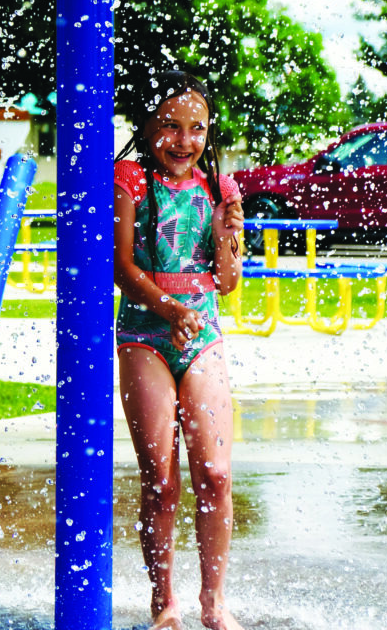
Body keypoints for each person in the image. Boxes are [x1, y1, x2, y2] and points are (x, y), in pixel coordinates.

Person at [114, 71, 245, 630]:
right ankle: (164, 604)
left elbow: (229, 280)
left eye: (196, 129)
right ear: (147, 127)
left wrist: (223, 233)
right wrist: (171, 310)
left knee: (215, 474)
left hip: (205, 336)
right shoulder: (129, 177)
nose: (183, 140)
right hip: (146, 334)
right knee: (162, 479)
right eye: (170, 125)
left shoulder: (218, 185)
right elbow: (121, 268)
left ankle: (213, 603)